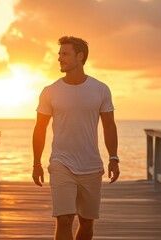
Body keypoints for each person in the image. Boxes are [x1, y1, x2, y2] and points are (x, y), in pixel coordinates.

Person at [32, 35, 120, 240]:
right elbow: (39, 129)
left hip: (91, 164)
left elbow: (109, 125)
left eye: (65, 54)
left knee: (87, 223)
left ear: (80, 57)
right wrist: (36, 163)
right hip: (61, 163)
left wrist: (113, 158)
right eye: (59, 54)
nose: (59, 58)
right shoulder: (50, 91)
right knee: (64, 219)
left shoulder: (100, 89)